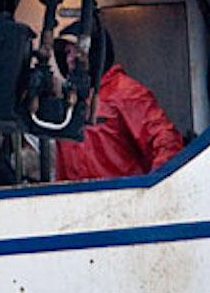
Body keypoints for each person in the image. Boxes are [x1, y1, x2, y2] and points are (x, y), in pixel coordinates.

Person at [53, 19, 183, 181]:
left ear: (95, 51)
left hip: (126, 200)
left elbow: (167, 142)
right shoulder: (69, 105)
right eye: (67, 53)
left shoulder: (127, 94)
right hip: (81, 203)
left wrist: (154, 190)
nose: (70, 59)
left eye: (77, 51)